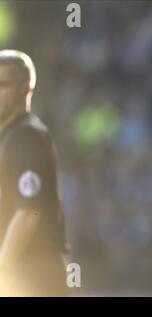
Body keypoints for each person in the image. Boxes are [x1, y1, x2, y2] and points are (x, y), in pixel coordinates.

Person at [0, 50, 68, 296]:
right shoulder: (8, 137)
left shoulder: (24, 136)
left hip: (34, 271)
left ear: (25, 88)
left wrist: (3, 268)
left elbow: (29, 212)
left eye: (3, 84)